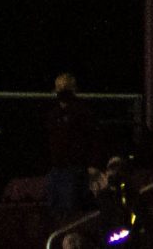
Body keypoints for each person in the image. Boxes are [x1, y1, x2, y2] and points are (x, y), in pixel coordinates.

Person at [42, 75, 97, 219]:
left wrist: (90, 164)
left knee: (70, 211)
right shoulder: (53, 114)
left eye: (65, 87)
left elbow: (90, 139)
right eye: (59, 87)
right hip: (55, 168)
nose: (61, 91)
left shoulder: (81, 112)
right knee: (54, 210)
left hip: (74, 169)